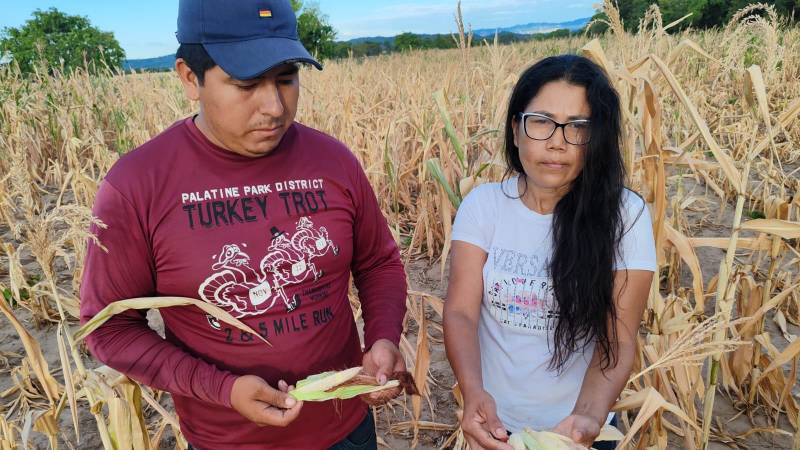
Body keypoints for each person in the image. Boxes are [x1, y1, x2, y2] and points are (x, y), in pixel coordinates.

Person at [79, 1, 408, 449]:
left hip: (345, 428)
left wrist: (384, 338)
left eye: (287, 79)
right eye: (247, 83)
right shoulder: (138, 186)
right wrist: (222, 389)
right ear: (189, 77)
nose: (274, 106)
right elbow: (109, 327)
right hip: (227, 440)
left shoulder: (333, 161)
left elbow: (378, 263)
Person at [443, 54, 656, 450]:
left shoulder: (625, 215)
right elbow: (460, 311)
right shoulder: (483, 207)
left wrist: (588, 417)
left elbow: (619, 338)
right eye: (541, 122)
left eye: (577, 126)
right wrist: (473, 392)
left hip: (575, 429)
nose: (557, 142)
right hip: (495, 426)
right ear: (515, 128)